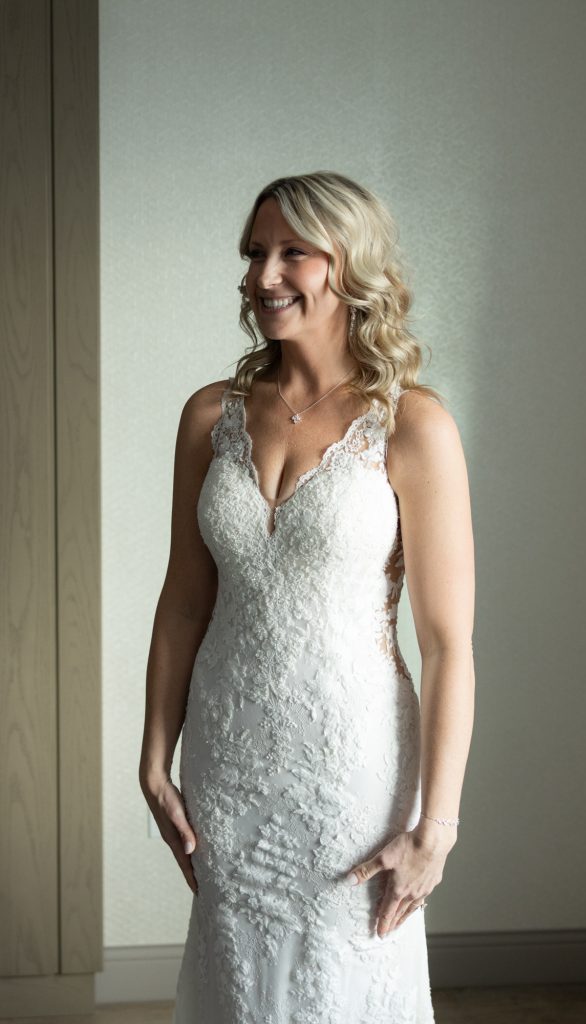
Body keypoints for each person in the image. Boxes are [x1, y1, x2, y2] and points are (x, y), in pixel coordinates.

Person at [139, 171, 476, 1023]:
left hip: (351, 767)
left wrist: (436, 826)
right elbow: (184, 601)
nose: (264, 276)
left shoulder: (411, 424)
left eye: (294, 252)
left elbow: (446, 645)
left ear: (350, 264)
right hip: (227, 756)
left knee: (340, 983)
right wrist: (153, 757)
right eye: (254, 252)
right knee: (239, 986)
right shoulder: (209, 416)